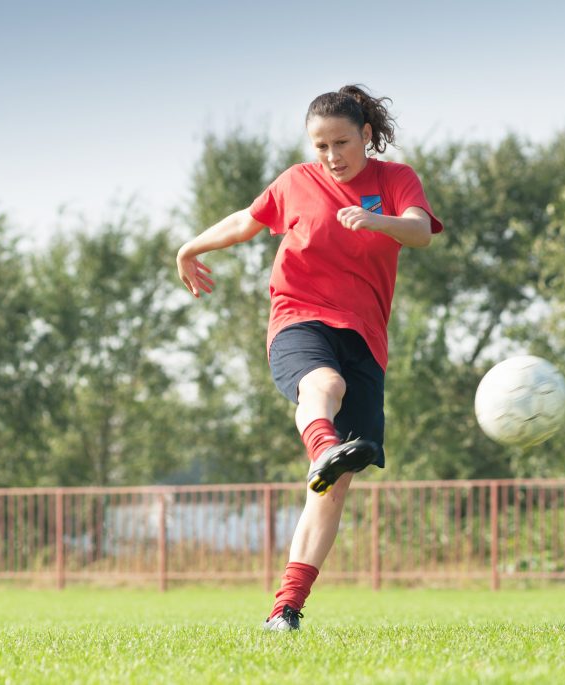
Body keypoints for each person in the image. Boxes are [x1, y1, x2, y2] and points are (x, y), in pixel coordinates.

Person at [175, 85, 443, 631]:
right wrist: (189, 248)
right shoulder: (297, 182)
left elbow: (419, 232)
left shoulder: (395, 181)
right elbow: (246, 221)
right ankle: (323, 445)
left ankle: (286, 609)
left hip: (365, 336)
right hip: (299, 316)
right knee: (323, 384)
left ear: (366, 135)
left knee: (334, 486)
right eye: (320, 145)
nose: (331, 156)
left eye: (341, 142)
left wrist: (378, 222)